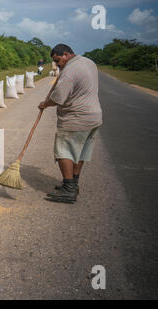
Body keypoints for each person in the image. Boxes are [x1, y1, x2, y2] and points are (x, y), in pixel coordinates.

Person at [38, 44, 102, 204]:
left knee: (64, 151)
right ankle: (73, 184)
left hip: (76, 118)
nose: (58, 64)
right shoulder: (88, 62)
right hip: (94, 117)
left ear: (65, 54)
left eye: (58, 60)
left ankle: (68, 189)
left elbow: (59, 97)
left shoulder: (69, 71)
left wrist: (45, 104)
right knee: (80, 153)